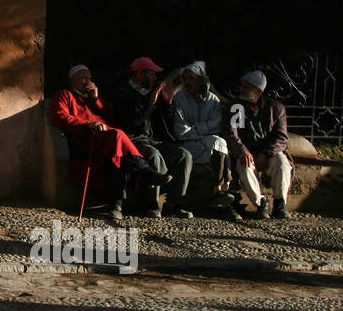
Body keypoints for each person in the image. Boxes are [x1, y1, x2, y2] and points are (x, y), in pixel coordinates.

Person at [50, 64, 172, 221]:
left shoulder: (94, 99)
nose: (88, 82)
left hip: (108, 140)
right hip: (85, 138)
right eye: (84, 78)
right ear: (73, 79)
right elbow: (60, 117)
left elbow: (112, 119)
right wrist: (88, 124)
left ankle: (116, 207)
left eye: (90, 78)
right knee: (117, 135)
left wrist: (96, 99)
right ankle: (144, 170)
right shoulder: (64, 95)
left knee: (118, 157)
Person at [110, 56, 193, 218]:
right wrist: (150, 103)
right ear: (140, 74)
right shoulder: (123, 93)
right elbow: (132, 122)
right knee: (154, 156)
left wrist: (168, 103)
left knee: (184, 155)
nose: (155, 77)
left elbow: (166, 122)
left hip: (152, 139)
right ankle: (152, 204)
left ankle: (173, 203)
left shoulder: (153, 91)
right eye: (152, 73)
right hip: (132, 140)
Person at [163, 60, 239, 217]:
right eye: (186, 79)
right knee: (219, 149)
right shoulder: (180, 99)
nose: (188, 82)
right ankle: (221, 194)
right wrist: (202, 130)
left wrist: (196, 129)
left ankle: (220, 192)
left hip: (208, 143)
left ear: (201, 79)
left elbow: (216, 126)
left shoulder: (213, 101)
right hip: (188, 144)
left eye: (191, 78)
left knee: (220, 144)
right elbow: (181, 131)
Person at [227, 70, 291, 219]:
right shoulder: (238, 107)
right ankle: (261, 202)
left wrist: (266, 153)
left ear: (258, 91)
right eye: (242, 85)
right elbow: (232, 132)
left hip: (268, 152)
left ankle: (280, 203)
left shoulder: (275, 108)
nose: (242, 89)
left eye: (247, 87)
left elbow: (281, 137)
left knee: (282, 163)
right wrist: (242, 150)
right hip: (246, 151)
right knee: (245, 165)